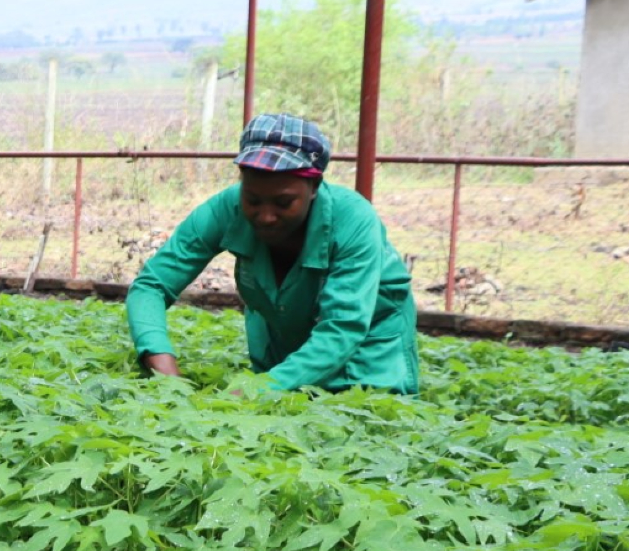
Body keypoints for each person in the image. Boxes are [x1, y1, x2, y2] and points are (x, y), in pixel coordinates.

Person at [125, 113, 418, 394]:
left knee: (355, 421)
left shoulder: (353, 218)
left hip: (371, 349)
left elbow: (343, 326)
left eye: (284, 202)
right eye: (253, 199)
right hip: (284, 347)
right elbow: (152, 285)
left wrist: (254, 391)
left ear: (314, 186)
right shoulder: (225, 208)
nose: (265, 216)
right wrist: (165, 371)